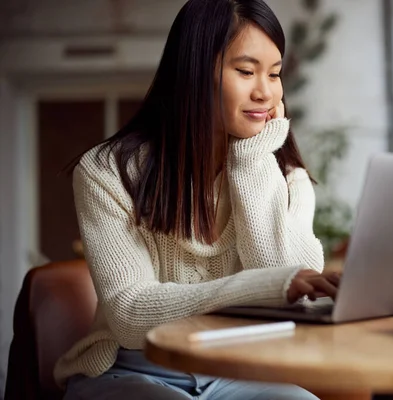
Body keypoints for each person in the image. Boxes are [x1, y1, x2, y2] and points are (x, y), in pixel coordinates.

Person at [55, 0, 341, 398]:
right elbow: (130, 315)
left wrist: (253, 164)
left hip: (238, 369)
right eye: (245, 71)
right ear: (194, 73)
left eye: (274, 75)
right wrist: (268, 286)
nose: (264, 91)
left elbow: (293, 298)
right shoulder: (107, 172)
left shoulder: (288, 177)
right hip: (133, 369)